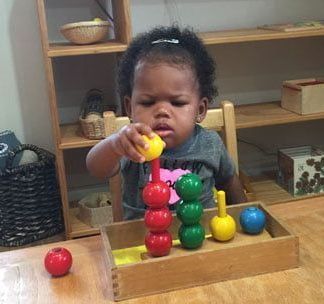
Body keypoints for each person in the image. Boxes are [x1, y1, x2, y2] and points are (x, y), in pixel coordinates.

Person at [86, 26, 247, 220]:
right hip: (143, 240)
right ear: (129, 107)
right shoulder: (132, 143)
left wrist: (244, 216)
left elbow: (229, 181)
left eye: (177, 103)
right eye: (148, 102)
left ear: (200, 109)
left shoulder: (210, 143)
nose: (162, 111)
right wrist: (114, 145)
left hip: (201, 237)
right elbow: (95, 168)